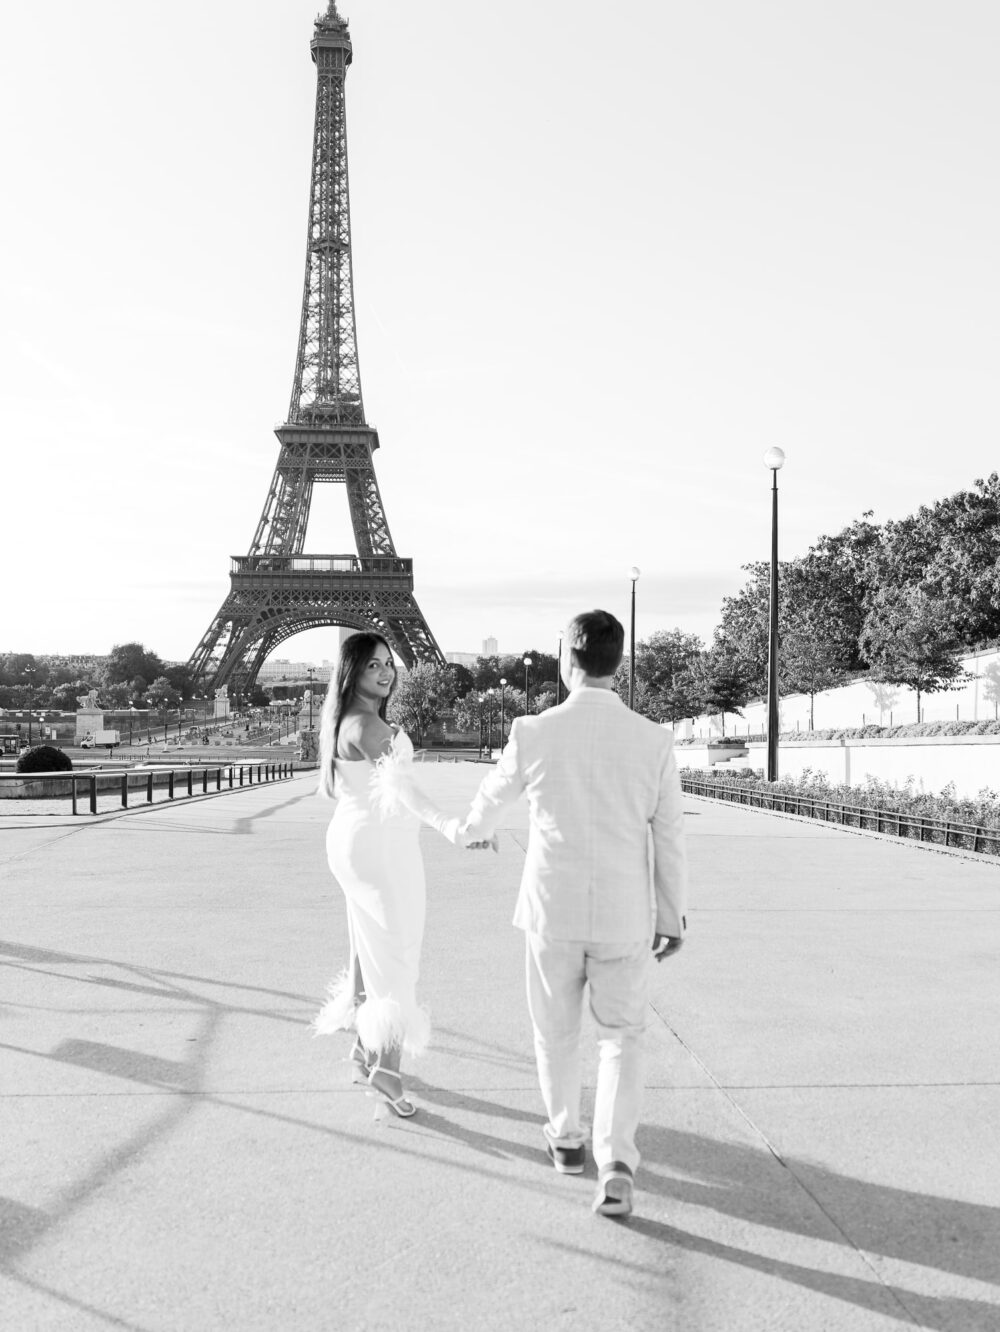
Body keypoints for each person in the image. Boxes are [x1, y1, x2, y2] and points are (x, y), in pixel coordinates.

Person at [459, 610, 688, 1217]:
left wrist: (465, 830)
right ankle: (615, 1162)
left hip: (549, 912)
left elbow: (484, 812)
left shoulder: (532, 731)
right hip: (624, 916)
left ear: (566, 660)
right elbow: (669, 838)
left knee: (553, 1034)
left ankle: (565, 1137)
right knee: (622, 1040)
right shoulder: (654, 739)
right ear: (619, 663)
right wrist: (671, 915)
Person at [313, 631, 467, 1117]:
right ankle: (387, 1070)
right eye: (372, 665)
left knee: (367, 949)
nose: (385, 672)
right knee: (398, 956)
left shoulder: (346, 722)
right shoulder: (371, 729)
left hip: (354, 842)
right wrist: (452, 826)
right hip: (381, 850)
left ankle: (363, 1048)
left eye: (388, 663)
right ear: (352, 671)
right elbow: (405, 791)